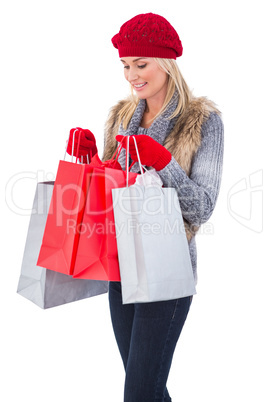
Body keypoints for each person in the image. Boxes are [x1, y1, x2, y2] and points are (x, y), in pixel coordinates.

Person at [69, 12, 224, 402]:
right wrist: (89, 161)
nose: (131, 75)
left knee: (139, 391)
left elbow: (202, 207)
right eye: (125, 65)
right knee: (147, 389)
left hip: (167, 272)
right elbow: (109, 193)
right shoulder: (122, 116)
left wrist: (164, 162)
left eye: (141, 64)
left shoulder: (202, 121)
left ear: (167, 63)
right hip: (120, 269)